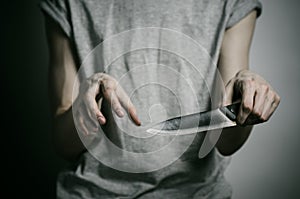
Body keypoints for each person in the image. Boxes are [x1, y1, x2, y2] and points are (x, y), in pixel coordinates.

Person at [40, 0, 280, 198]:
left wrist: (247, 99)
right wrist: (85, 107)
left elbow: (227, 143)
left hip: (200, 193)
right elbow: (65, 145)